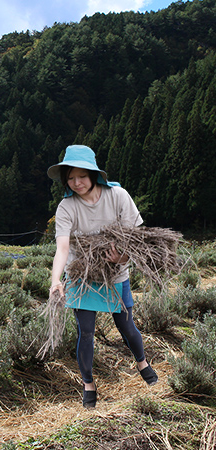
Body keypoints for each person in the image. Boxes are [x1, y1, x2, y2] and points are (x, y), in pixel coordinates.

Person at [47, 145, 158, 409]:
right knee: (86, 333)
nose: (76, 183)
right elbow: (62, 248)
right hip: (81, 275)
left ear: (94, 175)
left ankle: (142, 363)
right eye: (70, 178)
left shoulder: (118, 196)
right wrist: (55, 281)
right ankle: (88, 384)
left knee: (127, 326)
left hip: (115, 274)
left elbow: (136, 240)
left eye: (81, 177)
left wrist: (122, 259)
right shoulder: (66, 207)